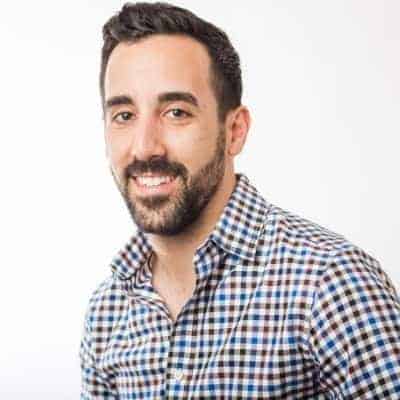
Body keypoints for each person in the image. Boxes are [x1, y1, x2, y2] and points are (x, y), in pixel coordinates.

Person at [80, 2, 400, 398]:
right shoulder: (107, 311)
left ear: (234, 131)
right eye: (124, 115)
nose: (145, 147)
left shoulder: (331, 283)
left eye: (176, 112)